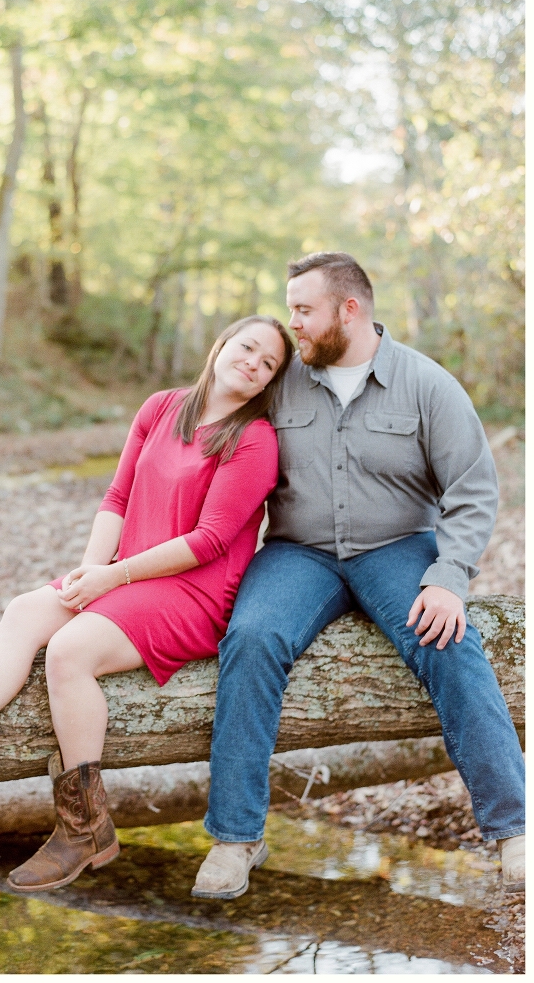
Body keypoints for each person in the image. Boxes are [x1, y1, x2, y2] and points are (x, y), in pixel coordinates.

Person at [0, 315, 294, 893]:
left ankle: (84, 828)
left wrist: (112, 578)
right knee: (24, 610)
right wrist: (87, 574)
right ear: (221, 346)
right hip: (125, 573)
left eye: (269, 365)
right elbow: (117, 497)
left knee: (69, 651)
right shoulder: (162, 407)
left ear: (269, 384)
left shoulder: (255, 439)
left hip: (195, 592)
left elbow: (210, 540)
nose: (254, 364)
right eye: (248, 348)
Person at [192, 252, 525, 901]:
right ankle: (236, 838)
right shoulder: (280, 382)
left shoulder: (427, 385)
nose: (294, 325)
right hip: (299, 553)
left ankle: (516, 830)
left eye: (304, 310)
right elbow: (208, 427)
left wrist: (449, 577)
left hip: (397, 548)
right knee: (252, 638)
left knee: (450, 642)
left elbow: (475, 490)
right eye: (290, 311)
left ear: (351, 310)